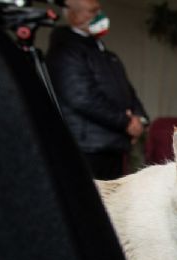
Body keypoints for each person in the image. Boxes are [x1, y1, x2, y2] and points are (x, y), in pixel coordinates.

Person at [47, 0, 149, 180]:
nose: (100, 16)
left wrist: (139, 119)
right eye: (92, 12)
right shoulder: (66, 51)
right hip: (87, 147)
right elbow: (81, 97)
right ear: (73, 15)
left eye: (99, 10)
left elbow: (129, 92)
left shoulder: (105, 53)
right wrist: (125, 123)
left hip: (112, 144)